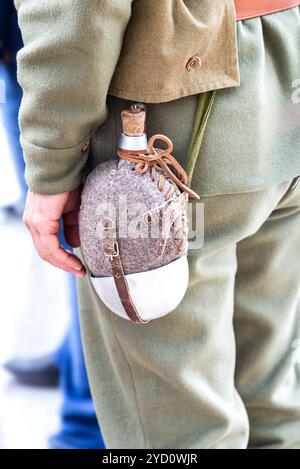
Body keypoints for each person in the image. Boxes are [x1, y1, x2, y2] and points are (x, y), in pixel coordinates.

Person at [16, 0, 300, 449]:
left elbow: (78, 10)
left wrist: (52, 163)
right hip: (284, 78)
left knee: (181, 431)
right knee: (272, 398)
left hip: (175, 111)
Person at [0, 0, 104, 450]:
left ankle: (85, 420)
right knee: (81, 251)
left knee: (87, 251)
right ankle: (75, 375)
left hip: (59, 54)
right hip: (30, 49)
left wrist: (50, 171)